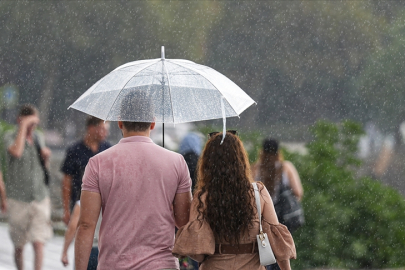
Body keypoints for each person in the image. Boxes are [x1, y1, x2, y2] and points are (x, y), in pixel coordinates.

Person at [74, 91, 192, 270]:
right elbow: (183, 221)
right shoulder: (176, 162)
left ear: (120, 122)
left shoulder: (97, 163)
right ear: (153, 123)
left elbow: (85, 225)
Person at [172, 131, 296, 270]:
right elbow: (277, 240)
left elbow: (198, 254)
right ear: (241, 160)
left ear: (208, 162)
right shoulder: (258, 192)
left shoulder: (202, 197)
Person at [4, 104, 53, 270]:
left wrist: (46, 157)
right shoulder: (9, 136)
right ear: (20, 120)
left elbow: (43, 170)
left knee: (38, 242)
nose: (34, 126)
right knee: (19, 245)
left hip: (39, 196)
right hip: (18, 198)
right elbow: (16, 152)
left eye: (35, 123)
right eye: (31, 122)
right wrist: (23, 127)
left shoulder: (39, 137)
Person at [252, 138, 303, 270]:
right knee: (281, 253)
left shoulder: (256, 169)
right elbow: (298, 192)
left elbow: (249, 195)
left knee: (264, 251)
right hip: (283, 219)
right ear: (278, 152)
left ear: (261, 152)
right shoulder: (286, 167)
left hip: (262, 219)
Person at [61, 116, 111, 225]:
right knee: (80, 234)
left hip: (104, 204)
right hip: (80, 201)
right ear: (91, 128)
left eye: (107, 130)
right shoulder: (74, 150)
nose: (105, 133)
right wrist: (66, 210)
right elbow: (66, 181)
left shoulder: (108, 149)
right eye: (102, 129)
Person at [61, 200, 101, 270]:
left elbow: (73, 227)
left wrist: (64, 252)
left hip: (85, 250)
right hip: (105, 251)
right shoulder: (111, 204)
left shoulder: (83, 202)